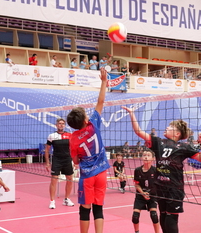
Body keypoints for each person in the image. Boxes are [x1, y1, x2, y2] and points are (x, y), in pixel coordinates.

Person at [122, 106, 201, 233]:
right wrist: (132, 114)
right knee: (162, 218)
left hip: (174, 189)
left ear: (177, 133)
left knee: (171, 220)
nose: (167, 127)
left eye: (170, 127)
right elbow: (138, 131)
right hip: (160, 187)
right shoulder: (158, 142)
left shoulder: (183, 147)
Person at [67, 67, 110, 233]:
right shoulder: (93, 124)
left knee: (85, 209)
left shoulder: (73, 139)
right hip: (102, 173)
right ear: (85, 120)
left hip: (87, 175)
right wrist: (104, 81)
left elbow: (76, 161)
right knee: (98, 208)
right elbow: (100, 102)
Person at [45, 118, 75, 209]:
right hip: (56, 160)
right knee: (54, 180)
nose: (61, 125)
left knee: (70, 179)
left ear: (64, 125)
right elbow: (47, 150)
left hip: (67, 160)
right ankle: (52, 201)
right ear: (56, 125)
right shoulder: (52, 136)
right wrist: (47, 163)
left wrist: (75, 161)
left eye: (62, 124)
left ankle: (66, 199)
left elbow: (73, 149)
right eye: (59, 123)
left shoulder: (70, 135)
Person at [132, 149, 160, 233]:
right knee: (135, 217)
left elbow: (160, 184)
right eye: (144, 155)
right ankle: (137, 231)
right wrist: (143, 193)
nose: (146, 157)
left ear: (153, 158)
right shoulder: (137, 170)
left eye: (148, 155)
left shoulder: (156, 171)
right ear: (141, 157)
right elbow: (137, 184)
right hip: (140, 195)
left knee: (154, 215)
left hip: (152, 196)